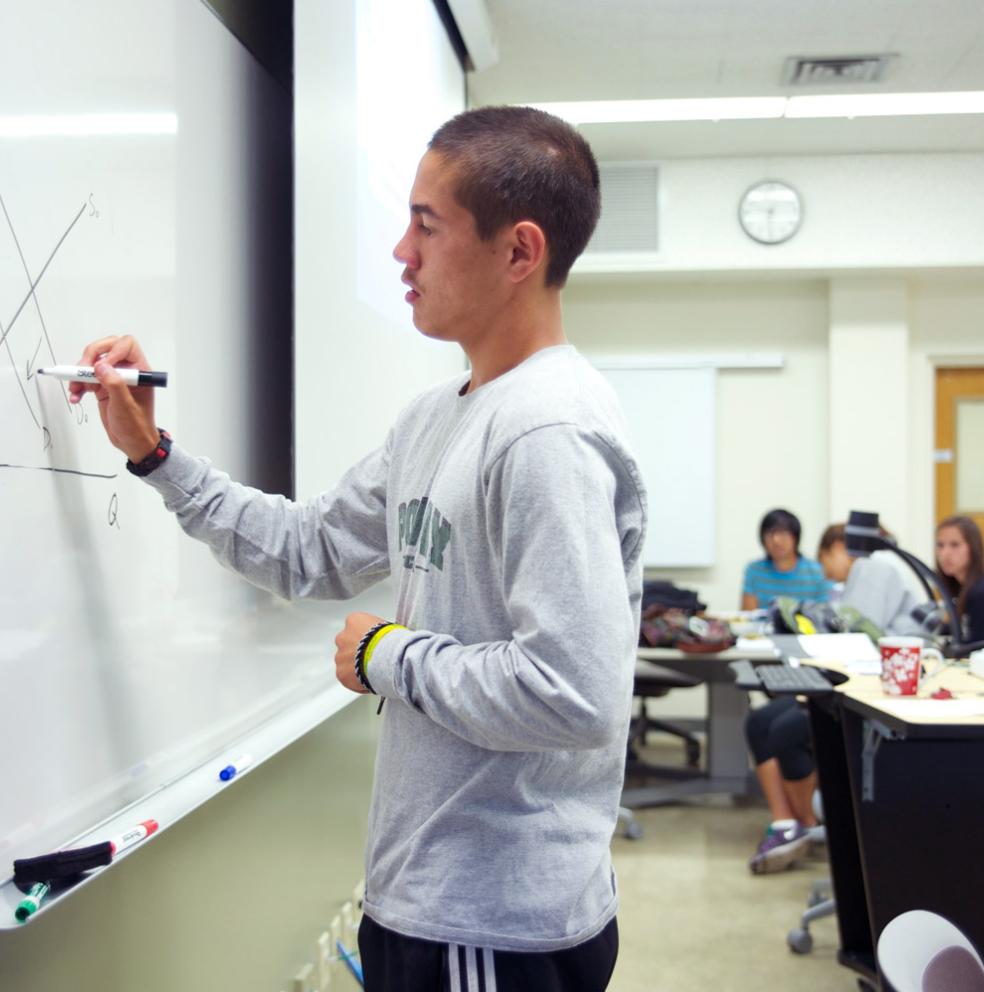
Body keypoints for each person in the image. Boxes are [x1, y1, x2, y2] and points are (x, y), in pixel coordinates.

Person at [70, 107, 646, 992]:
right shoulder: (438, 416)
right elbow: (309, 551)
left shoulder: (547, 432)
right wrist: (155, 455)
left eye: (427, 224)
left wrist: (387, 654)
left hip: (494, 924)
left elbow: (575, 695)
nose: (399, 254)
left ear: (519, 251)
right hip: (424, 899)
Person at [744, 521, 927, 874]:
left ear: (839, 548)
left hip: (867, 688)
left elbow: (859, 630)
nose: (826, 569)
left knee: (783, 730)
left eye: (826, 557)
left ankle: (808, 825)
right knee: (758, 721)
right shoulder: (860, 579)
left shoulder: (872, 571)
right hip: (845, 679)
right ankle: (786, 825)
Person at [740, 508, 831, 611]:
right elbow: (747, 616)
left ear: (795, 537)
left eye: (782, 533)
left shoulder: (816, 571)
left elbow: (823, 615)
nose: (776, 540)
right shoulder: (754, 570)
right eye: (770, 534)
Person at [936, 515, 984, 644]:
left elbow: (978, 645)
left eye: (955, 545)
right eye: (940, 545)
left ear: (973, 548)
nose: (945, 554)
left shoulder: (982, 592)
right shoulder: (959, 589)